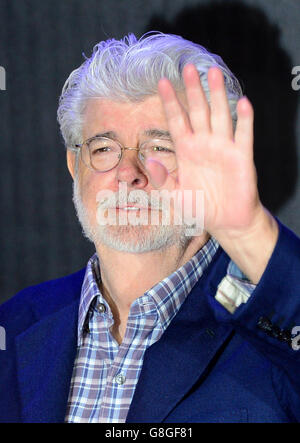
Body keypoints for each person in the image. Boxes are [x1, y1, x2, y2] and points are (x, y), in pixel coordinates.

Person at [0, 32, 300, 423]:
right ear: (75, 167)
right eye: (104, 148)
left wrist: (247, 233)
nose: (128, 174)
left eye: (160, 148)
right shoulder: (15, 323)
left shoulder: (273, 334)